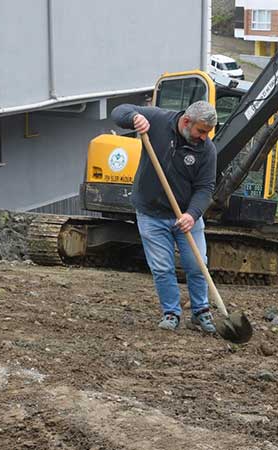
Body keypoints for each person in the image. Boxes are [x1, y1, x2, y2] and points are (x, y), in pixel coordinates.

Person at [111, 101, 218, 334]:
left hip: (186, 216)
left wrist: (192, 214)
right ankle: (171, 313)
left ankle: (201, 312)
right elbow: (119, 111)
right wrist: (133, 118)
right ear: (186, 121)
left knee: (197, 265)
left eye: (208, 132)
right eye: (201, 131)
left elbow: (205, 188)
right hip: (151, 213)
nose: (204, 137)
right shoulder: (158, 120)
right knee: (162, 267)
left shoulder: (207, 150)